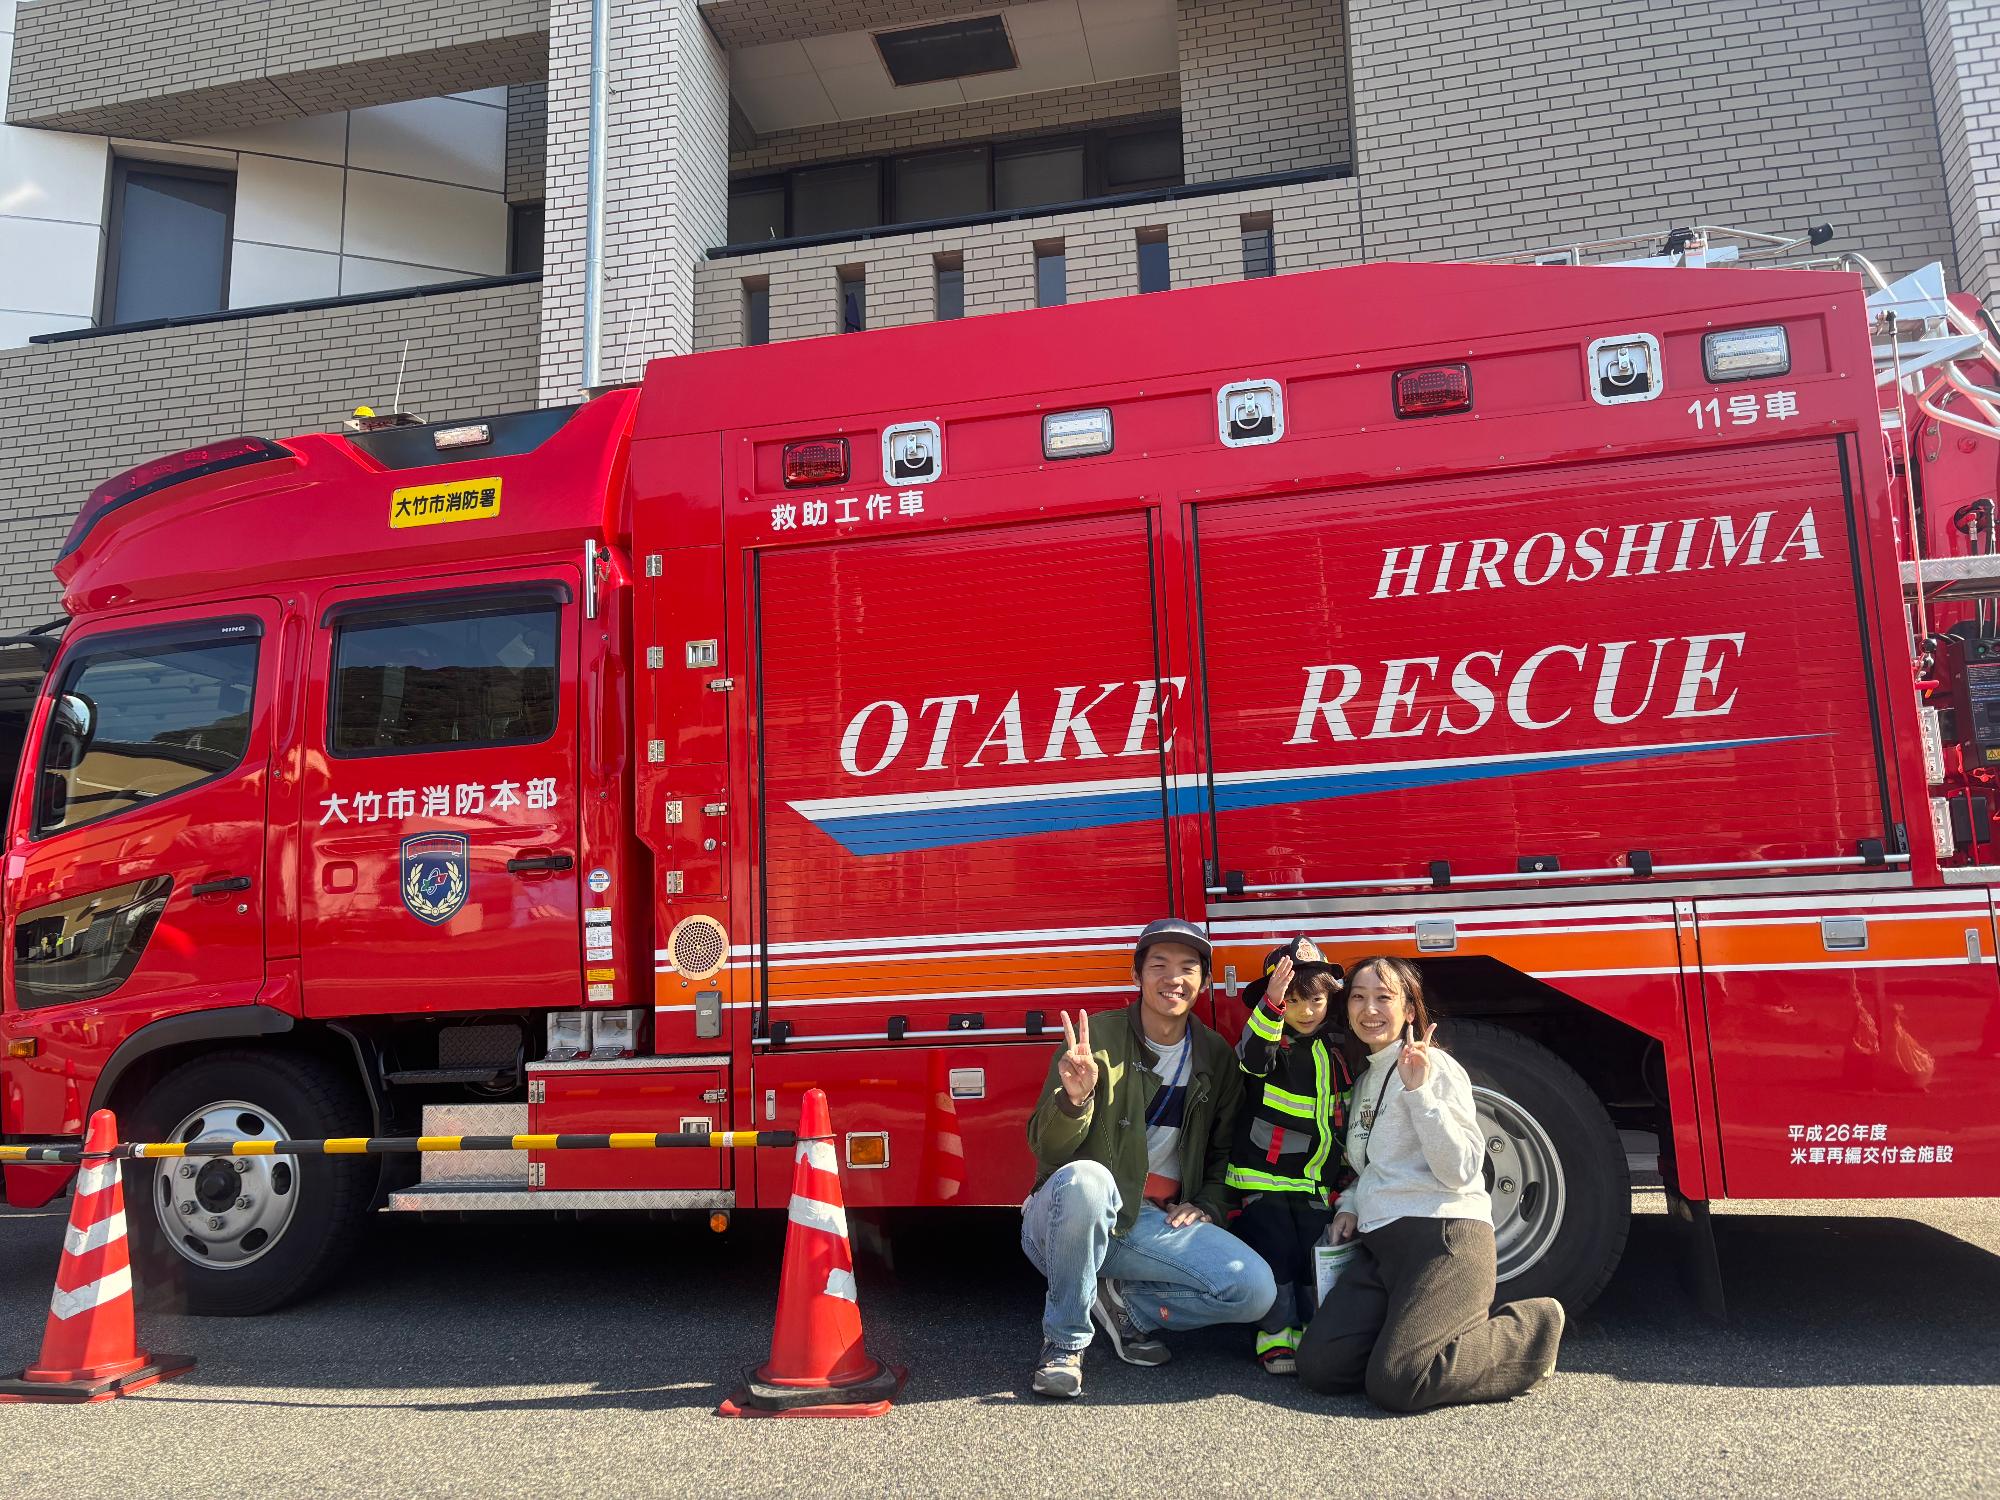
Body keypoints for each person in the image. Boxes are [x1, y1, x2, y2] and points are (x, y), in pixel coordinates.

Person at [1021, 917, 1278, 1399]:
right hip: (1063, 1222)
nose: (1172, 978)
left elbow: (1225, 1152)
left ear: (1203, 982)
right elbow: (1046, 1148)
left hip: (1149, 1224)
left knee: (1254, 1290)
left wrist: (1207, 1203)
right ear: (1137, 976)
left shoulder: (1215, 1055)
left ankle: (1126, 1307)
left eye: (1187, 967)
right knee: (1088, 1181)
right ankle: (1064, 1345)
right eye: (1158, 964)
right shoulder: (1094, 1039)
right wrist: (1073, 1100)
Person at [1295, 955, 1565, 1412]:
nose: (1369, 1009)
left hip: (1443, 1237)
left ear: (1409, 1010)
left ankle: (1532, 1327)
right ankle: (1407, 1337)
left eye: (1384, 997)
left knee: (1400, 1383)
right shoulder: (1365, 1080)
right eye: (1358, 997)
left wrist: (1420, 1094)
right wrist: (1350, 1205)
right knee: (1321, 1366)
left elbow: (1460, 1170)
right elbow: (1372, 1169)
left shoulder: (1434, 1066)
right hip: (1381, 1248)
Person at [1225, 936, 1353, 1375]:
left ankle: (1313, 1330)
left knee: (1313, 1254)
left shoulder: (1340, 1046)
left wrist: (1347, 1175)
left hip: (1315, 1179)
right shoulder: (1270, 1045)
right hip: (1262, 1175)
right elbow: (1251, 1058)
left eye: (1315, 999)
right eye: (1293, 1000)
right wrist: (1271, 1006)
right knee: (1275, 1252)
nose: (1306, 1010)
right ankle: (1276, 1332)